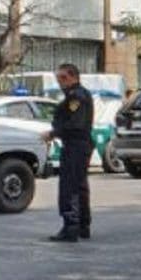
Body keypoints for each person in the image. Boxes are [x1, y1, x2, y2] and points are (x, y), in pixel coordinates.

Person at [43, 64, 95, 243]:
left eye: (63, 78)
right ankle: (82, 225)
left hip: (75, 145)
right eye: (58, 79)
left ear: (73, 77)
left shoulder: (76, 96)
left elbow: (75, 123)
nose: (60, 82)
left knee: (70, 185)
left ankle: (71, 226)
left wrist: (53, 133)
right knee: (79, 185)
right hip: (78, 144)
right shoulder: (77, 95)